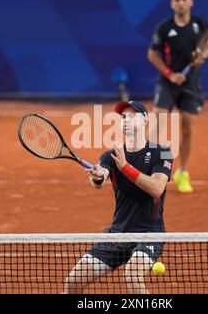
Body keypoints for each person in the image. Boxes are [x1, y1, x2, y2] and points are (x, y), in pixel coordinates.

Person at [64, 101, 173, 294]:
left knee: (132, 276)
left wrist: (125, 168)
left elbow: (156, 188)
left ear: (146, 120)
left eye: (133, 116)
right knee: (73, 282)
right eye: (123, 117)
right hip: (118, 234)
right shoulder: (110, 155)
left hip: (150, 233)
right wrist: (98, 177)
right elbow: (100, 178)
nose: (126, 120)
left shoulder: (162, 152)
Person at [148, 0, 208, 193]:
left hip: (190, 83)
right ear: (172, 4)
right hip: (167, 82)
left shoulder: (200, 24)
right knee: (159, 119)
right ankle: (147, 168)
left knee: (188, 127)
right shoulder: (164, 28)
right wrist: (169, 73)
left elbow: (207, 47)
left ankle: (182, 171)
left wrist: (202, 56)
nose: (181, 3)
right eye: (177, 0)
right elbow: (152, 54)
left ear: (191, 2)